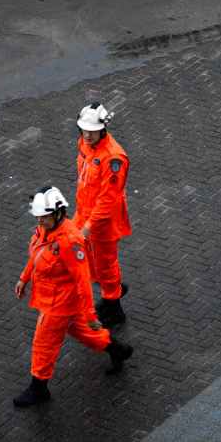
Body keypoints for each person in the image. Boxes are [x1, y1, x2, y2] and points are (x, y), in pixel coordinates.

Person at [13, 187, 133, 408]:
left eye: (44, 216)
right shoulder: (44, 231)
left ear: (58, 213)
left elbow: (82, 281)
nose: (40, 220)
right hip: (57, 300)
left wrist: (89, 314)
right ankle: (118, 350)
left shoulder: (70, 242)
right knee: (86, 333)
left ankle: (38, 388)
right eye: (39, 216)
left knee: (44, 343)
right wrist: (24, 277)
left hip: (59, 305)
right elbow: (37, 253)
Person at [75, 102, 131, 326]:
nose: (87, 135)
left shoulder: (113, 158)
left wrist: (88, 227)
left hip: (102, 222)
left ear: (103, 129)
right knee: (90, 261)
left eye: (92, 130)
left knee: (105, 263)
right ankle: (114, 291)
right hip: (84, 213)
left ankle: (114, 308)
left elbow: (108, 199)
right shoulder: (86, 144)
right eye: (84, 130)